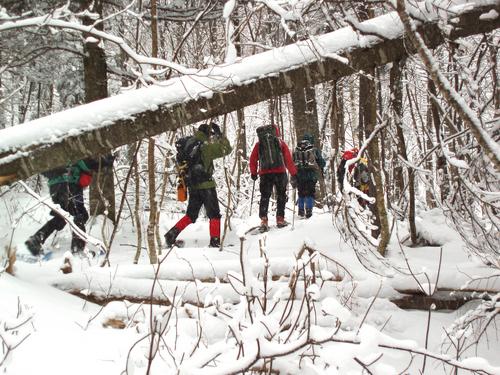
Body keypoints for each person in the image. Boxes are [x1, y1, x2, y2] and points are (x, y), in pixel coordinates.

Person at [24, 155, 114, 257]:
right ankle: (78, 250)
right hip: (70, 185)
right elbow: (86, 164)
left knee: (62, 217)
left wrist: (57, 173)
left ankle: (35, 241)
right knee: (79, 215)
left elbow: (42, 168)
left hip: (56, 187)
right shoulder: (74, 150)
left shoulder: (52, 152)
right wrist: (106, 162)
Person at [164, 122, 232, 248]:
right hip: (206, 186)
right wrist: (219, 134)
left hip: (193, 185)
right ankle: (215, 241)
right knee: (214, 215)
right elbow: (227, 149)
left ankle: (171, 234)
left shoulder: (189, 144)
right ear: (208, 135)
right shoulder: (205, 147)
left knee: (191, 215)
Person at [249, 124, 297, 232]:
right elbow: (288, 159)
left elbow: (253, 159)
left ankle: (264, 220)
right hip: (280, 172)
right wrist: (294, 173)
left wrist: (253, 172)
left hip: (265, 174)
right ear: (276, 132)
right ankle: (280, 219)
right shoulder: (280, 143)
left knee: (265, 196)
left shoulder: (259, 144)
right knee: (281, 195)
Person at [293, 133, 326, 218]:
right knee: (310, 193)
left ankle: (300, 210)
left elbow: (293, 163)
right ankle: (308, 210)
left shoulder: (297, 150)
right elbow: (322, 163)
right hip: (311, 175)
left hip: (299, 175)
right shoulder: (314, 150)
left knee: (301, 193)